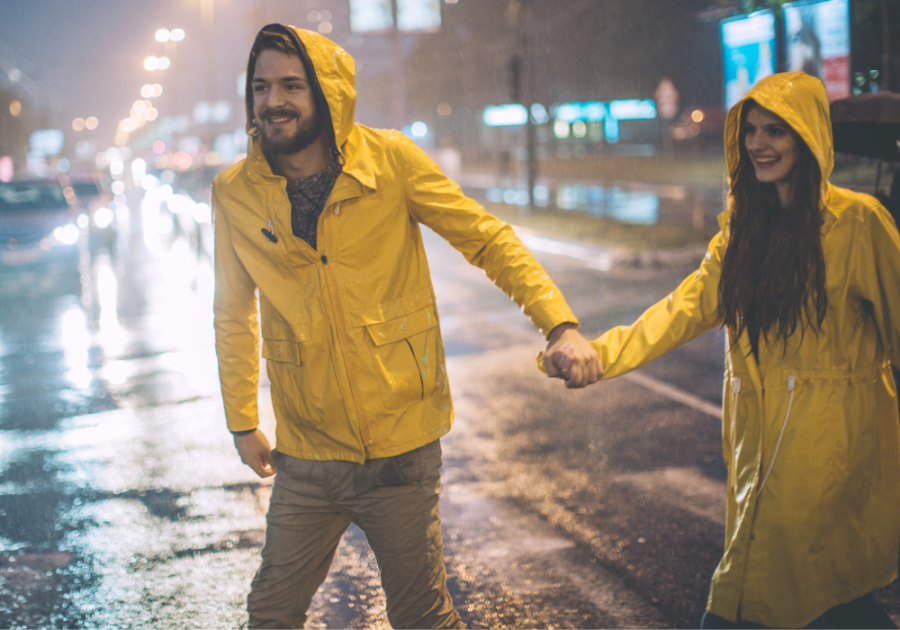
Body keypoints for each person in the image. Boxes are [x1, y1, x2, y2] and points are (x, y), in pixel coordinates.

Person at [212, 24, 600, 629]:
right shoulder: (234, 192)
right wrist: (241, 420)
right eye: (261, 87)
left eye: (292, 84)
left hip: (398, 450)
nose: (273, 101)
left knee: (422, 617)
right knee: (269, 615)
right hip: (307, 455)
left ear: (326, 94)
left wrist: (558, 324)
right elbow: (232, 311)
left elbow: (487, 239)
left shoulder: (389, 162)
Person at [546, 72, 900, 628]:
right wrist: (599, 354)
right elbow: (678, 311)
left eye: (776, 131)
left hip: (831, 459)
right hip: (756, 451)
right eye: (752, 131)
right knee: (820, 601)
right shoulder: (742, 233)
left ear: (807, 137)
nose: (759, 144)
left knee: (757, 602)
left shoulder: (859, 224)